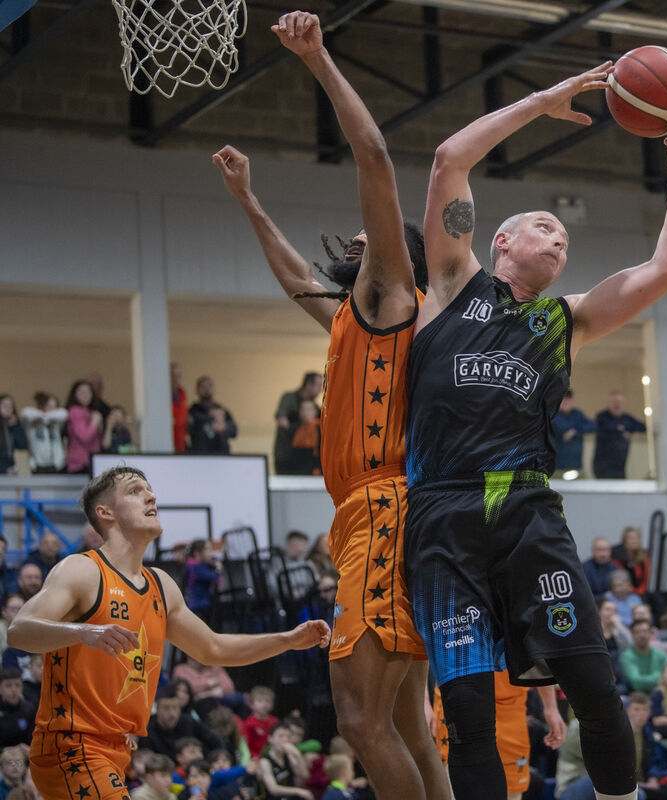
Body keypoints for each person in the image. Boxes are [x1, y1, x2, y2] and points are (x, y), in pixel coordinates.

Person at [404, 59, 667, 800]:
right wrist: (541, 102)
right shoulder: (450, 282)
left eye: (565, 233)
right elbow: (450, 159)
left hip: (529, 514)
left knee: (596, 691)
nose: (558, 236)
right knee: (468, 716)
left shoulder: (564, 320)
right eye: (544, 224)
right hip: (442, 514)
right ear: (499, 241)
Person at [213, 12, 447, 800]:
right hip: (374, 514)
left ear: (391, 256)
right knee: (409, 726)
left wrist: (317, 59)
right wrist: (248, 201)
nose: (353, 237)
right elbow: (293, 278)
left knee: (358, 723)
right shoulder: (355, 315)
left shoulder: (391, 294)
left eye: (367, 235)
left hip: (383, 509)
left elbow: (375, 158)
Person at [7, 467, 328, 800]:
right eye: (135, 491)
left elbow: (213, 647)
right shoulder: (83, 569)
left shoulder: (162, 585)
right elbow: (19, 631)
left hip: (119, 750)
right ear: (105, 513)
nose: (151, 496)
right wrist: (83, 631)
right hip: (71, 746)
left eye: (150, 489)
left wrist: (288, 640)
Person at [274, 373, 323, 475]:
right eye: (318, 385)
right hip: (286, 455)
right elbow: (282, 419)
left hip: (306, 458)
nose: (320, 389)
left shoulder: (315, 407)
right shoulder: (289, 399)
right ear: (309, 384)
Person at [592, 391, 646, 480]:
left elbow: (643, 427)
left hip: (620, 465)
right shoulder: (602, 417)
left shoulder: (627, 419)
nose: (617, 405)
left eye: (620, 402)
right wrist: (621, 431)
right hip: (603, 465)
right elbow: (608, 428)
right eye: (615, 402)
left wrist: (627, 430)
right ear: (609, 403)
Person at [186, 377, 237, 454]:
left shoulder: (221, 410)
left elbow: (234, 431)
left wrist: (224, 427)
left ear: (214, 389)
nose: (207, 389)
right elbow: (189, 429)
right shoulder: (192, 411)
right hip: (200, 454)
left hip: (221, 454)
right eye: (203, 386)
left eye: (209, 386)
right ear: (197, 390)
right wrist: (210, 419)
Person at [20, 392, 67, 473]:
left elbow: (64, 413)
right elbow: (25, 413)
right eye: (49, 406)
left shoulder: (56, 423)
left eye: (54, 407)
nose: (52, 410)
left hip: (56, 465)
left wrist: (45, 418)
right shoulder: (31, 422)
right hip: (37, 465)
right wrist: (42, 417)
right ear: (42, 406)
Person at [550, 390, 593, 476]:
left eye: (568, 399)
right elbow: (559, 427)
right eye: (563, 400)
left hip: (576, 466)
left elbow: (592, 426)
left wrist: (574, 430)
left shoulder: (577, 414)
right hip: (557, 467)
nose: (566, 402)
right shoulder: (552, 415)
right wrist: (578, 427)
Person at [63, 380, 102, 475]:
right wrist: (95, 422)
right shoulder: (75, 411)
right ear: (74, 394)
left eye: (88, 392)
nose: (85, 395)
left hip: (92, 460)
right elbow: (84, 436)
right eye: (81, 392)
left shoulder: (90, 412)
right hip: (79, 463)